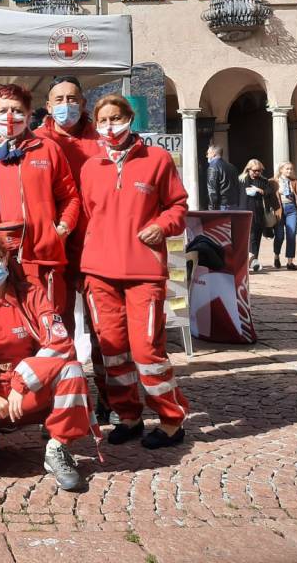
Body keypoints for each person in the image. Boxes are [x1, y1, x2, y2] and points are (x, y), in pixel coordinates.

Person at [80, 94, 189, 449]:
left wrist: (163, 225)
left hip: (143, 271)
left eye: (116, 118)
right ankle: (128, 416)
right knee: (112, 352)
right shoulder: (90, 166)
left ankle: (172, 421)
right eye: (103, 120)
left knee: (147, 352)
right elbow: (87, 214)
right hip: (99, 272)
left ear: (130, 118)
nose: (110, 126)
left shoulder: (157, 159)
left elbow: (178, 206)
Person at [0, 230, 92, 491]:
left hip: (27, 389)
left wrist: (20, 381)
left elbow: (60, 344)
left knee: (73, 371)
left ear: (6, 258)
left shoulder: (32, 296)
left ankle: (58, 447)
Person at [0, 83, 81, 318]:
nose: (10, 117)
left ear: (29, 115)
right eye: (3, 110)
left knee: (48, 318)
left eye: (17, 110)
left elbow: (70, 196)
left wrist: (62, 229)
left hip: (39, 251)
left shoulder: (48, 149)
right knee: (4, 320)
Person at [33, 75, 105, 414]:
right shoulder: (35, 141)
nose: (66, 105)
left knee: (103, 327)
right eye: (59, 99)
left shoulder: (103, 139)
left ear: (84, 103)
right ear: (48, 106)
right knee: (58, 323)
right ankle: (64, 397)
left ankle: (111, 397)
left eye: (72, 98)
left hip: (97, 245)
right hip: (54, 247)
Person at [238, 159, 275, 273]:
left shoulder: (263, 180)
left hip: (258, 211)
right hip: (244, 210)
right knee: (247, 236)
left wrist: (260, 190)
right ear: (249, 169)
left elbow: (269, 192)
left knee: (256, 236)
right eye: (254, 171)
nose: (257, 173)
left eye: (259, 171)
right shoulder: (242, 179)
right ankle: (248, 260)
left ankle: (254, 259)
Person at [272, 162, 297, 271]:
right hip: (279, 210)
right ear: (281, 170)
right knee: (279, 236)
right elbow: (268, 197)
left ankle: (290, 262)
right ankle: (276, 256)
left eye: (291, 169)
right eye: (287, 169)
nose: (289, 171)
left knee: (291, 235)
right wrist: (278, 191)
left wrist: (294, 194)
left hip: (292, 209)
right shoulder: (273, 182)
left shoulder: (295, 182)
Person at [206, 145, 238, 211]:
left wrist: (211, 209)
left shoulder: (213, 167)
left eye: (208, 153)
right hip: (233, 204)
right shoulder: (232, 166)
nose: (207, 156)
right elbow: (236, 186)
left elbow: (212, 191)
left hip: (222, 206)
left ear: (213, 154)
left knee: (222, 222)